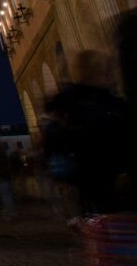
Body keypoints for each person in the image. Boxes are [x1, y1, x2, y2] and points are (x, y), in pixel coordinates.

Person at [44, 50, 133, 216]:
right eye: (106, 72)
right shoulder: (100, 104)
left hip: (93, 184)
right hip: (106, 180)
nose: (111, 77)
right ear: (97, 73)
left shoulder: (69, 103)